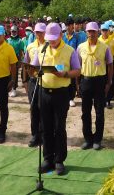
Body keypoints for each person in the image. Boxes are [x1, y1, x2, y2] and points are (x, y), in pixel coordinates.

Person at [31, 22, 81, 176]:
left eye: (54, 38)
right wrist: (35, 73)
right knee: (45, 127)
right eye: (49, 38)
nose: (51, 41)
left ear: (61, 35)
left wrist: (65, 74)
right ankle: (48, 158)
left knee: (59, 127)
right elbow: (33, 68)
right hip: (44, 92)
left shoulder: (69, 51)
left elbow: (77, 71)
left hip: (61, 93)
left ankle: (59, 160)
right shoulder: (41, 49)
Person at [76, 22, 113, 150]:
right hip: (85, 81)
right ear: (86, 32)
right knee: (85, 112)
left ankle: (97, 139)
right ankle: (87, 139)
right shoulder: (80, 47)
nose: (91, 34)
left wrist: (109, 82)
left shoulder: (105, 47)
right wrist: (77, 83)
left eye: (94, 31)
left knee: (99, 112)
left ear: (98, 32)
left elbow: (109, 64)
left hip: (99, 81)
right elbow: (77, 66)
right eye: (89, 31)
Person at [22, 22, 47, 147]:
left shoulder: (49, 46)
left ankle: (43, 134)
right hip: (33, 81)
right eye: (36, 32)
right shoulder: (30, 46)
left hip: (45, 81)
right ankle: (34, 135)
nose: (38, 34)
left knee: (43, 108)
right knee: (33, 108)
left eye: (40, 32)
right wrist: (25, 80)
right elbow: (26, 62)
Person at [7, 25, 24, 97]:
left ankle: (14, 89)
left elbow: (20, 52)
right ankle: (8, 89)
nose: (13, 32)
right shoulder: (7, 40)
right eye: (12, 31)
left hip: (16, 58)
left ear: (17, 31)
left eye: (14, 31)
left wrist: (20, 61)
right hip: (8, 59)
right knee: (8, 74)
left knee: (15, 74)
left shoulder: (20, 41)